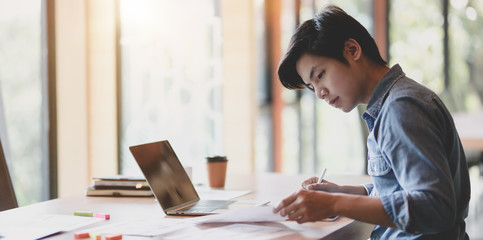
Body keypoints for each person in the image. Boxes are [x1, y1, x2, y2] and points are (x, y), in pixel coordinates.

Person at [273, 5, 471, 239]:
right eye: (312, 87)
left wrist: (335, 204)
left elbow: (435, 206)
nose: (319, 93)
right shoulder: (393, 103)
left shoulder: (401, 108)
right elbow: (399, 188)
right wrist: (344, 193)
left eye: (320, 75)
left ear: (352, 50)